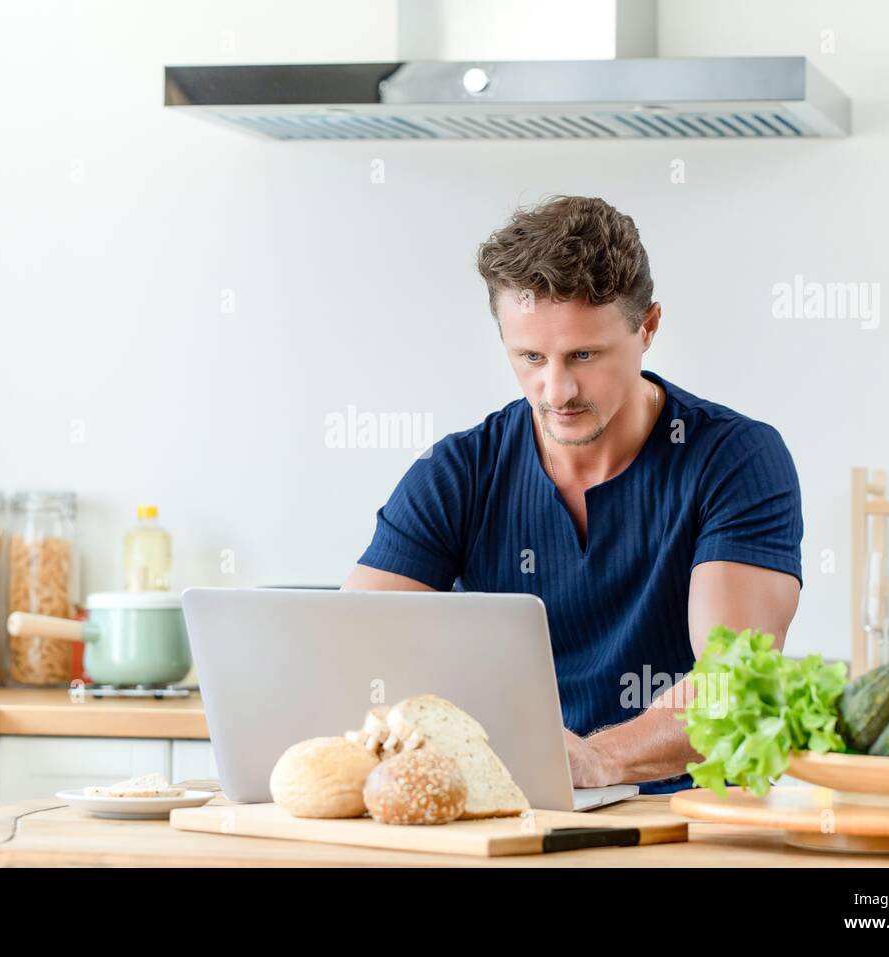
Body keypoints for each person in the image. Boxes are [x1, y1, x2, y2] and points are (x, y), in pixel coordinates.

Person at [342, 195, 803, 793]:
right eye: (530, 357)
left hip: (687, 823)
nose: (556, 390)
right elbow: (352, 647)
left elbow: (737, 680)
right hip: (510, 811)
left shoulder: (735, 460)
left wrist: (601, 761)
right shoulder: (457, 471)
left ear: (649, 328)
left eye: (584, 355)